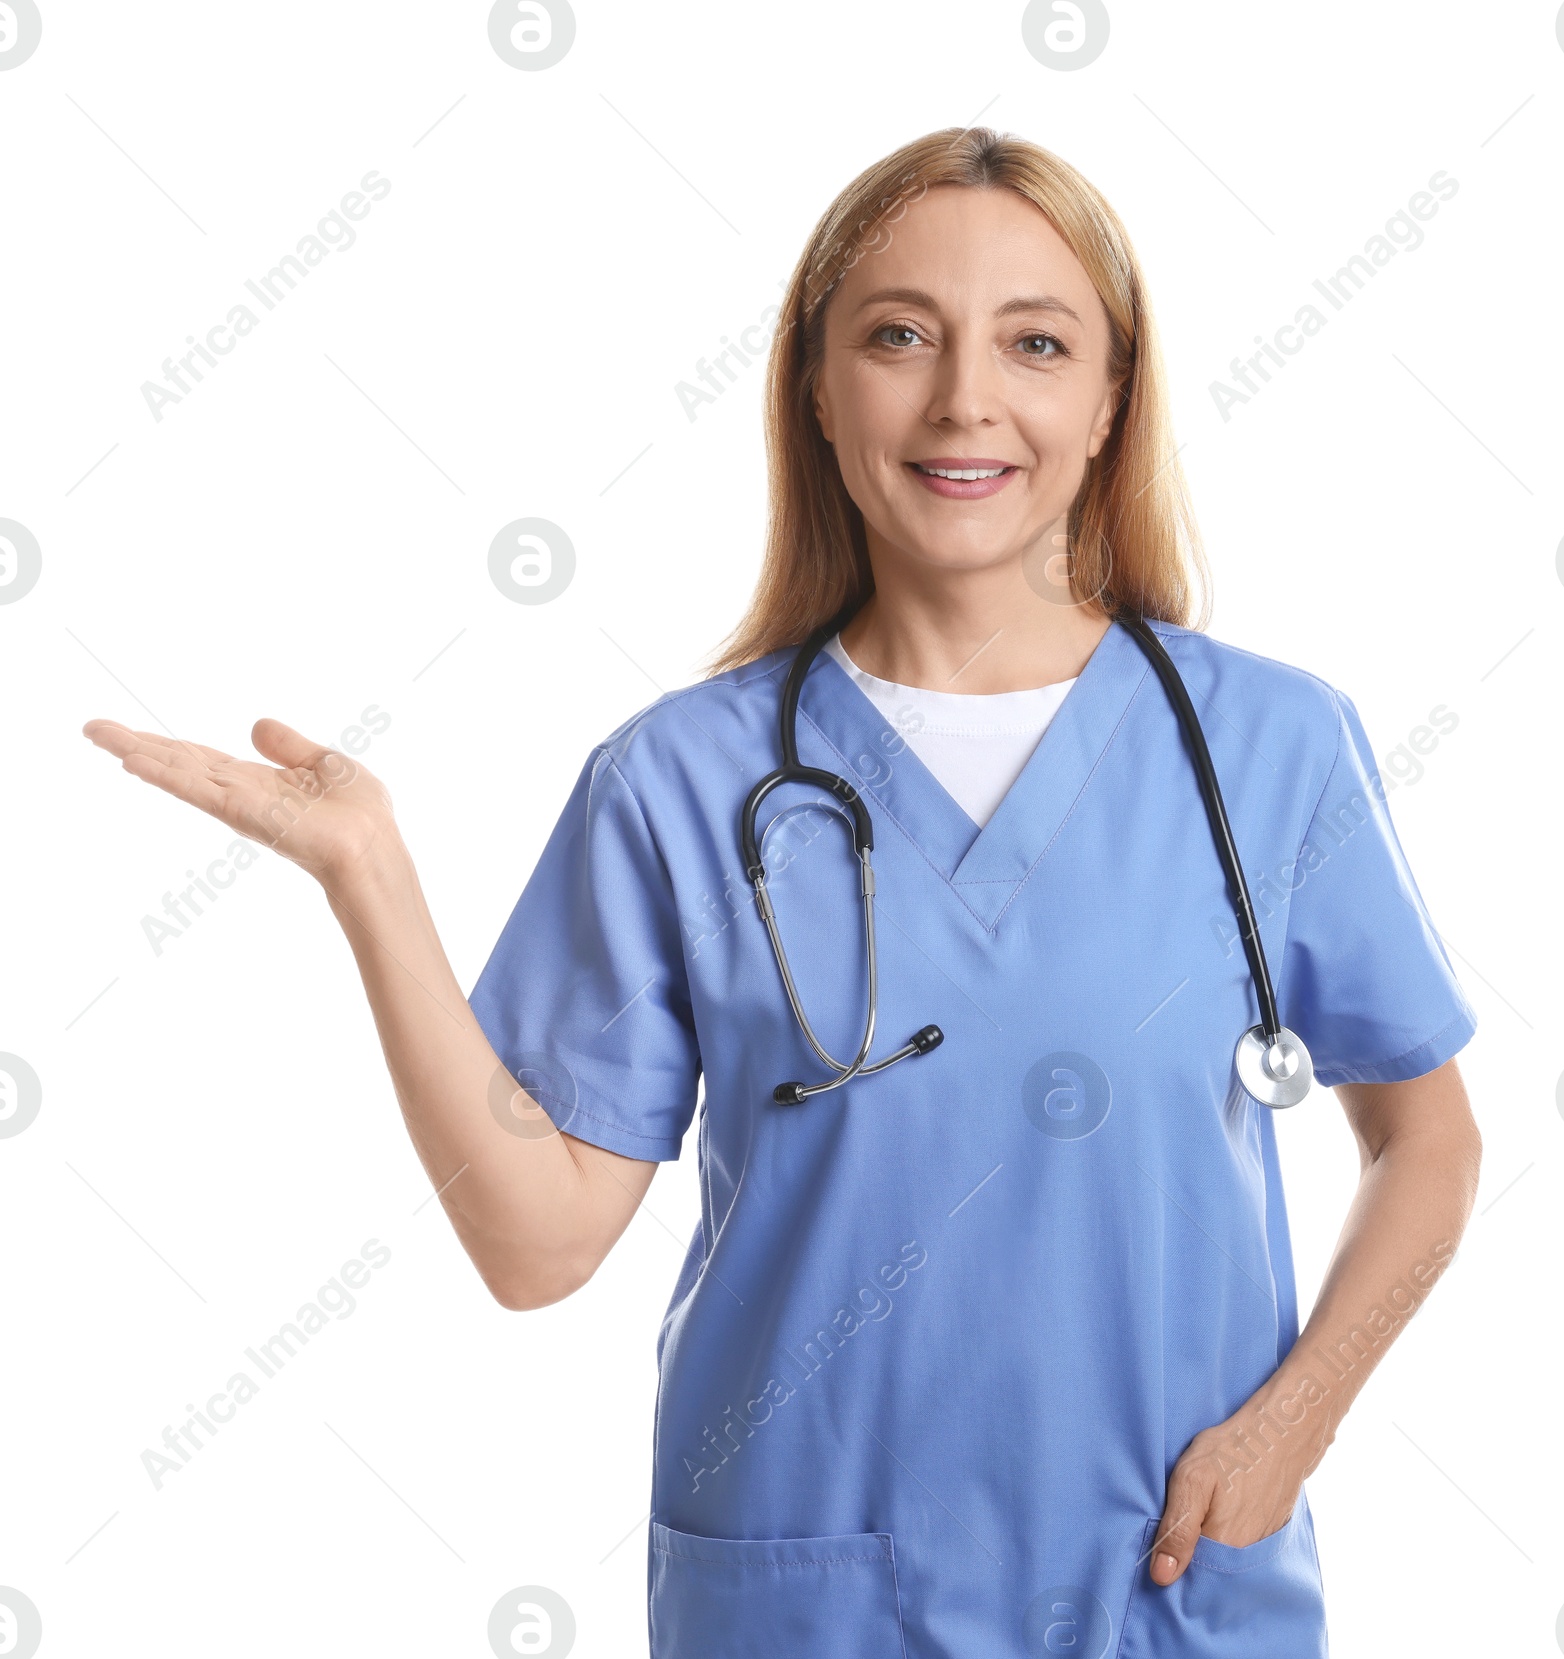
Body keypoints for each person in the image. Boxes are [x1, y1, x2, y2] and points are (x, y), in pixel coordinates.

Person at [84, 127, 1482, 1659]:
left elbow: (1427, 1137)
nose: (965, 400)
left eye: (1035, 343)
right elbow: (535, 1245)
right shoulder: (679, 782)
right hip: (808, 1607)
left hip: (1170, 1586)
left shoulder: (1271, 748)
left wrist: (1296, 1424)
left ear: (1109, 402)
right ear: (818, 391)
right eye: (898, 336)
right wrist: (373, 881)